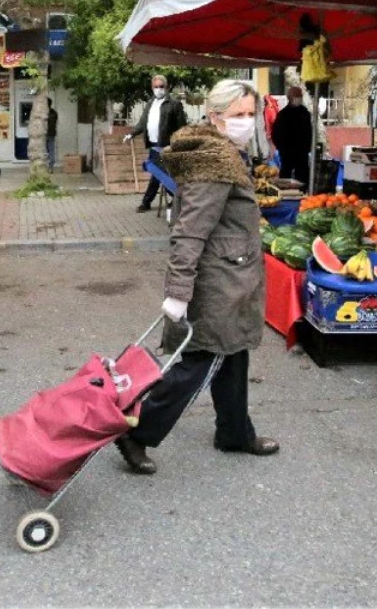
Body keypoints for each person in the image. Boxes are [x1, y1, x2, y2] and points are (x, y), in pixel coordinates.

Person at [114, 79, 278, 476]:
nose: (246, 121)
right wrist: (178, 292)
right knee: (199, 361)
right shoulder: (215, 162)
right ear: (215, 116)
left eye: (250, 113)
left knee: (234, 353)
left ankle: (235, 432)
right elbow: (190, 231)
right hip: (218, 280)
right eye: (237, 114)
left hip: (231, 274)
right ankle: (136, 432)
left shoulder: (222, 152)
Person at [124, 74, 188, 212]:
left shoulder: (174, 104)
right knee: (158, 174)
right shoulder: (150, 103)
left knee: (160, 174)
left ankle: (148, 202)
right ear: (152, 88)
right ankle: (176, 199)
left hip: (168, 147)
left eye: (161, 86)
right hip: (154, 146)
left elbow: (182, 127)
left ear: (167, 87)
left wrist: (179, 145)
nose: (159, 89)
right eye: (156, 87)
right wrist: (131, 134)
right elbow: (143, 122)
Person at [271, 85, 312, 185]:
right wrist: (281, 147)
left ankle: (304, 193)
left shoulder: (305, 113)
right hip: (287, 152)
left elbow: (309, 132)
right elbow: (275, 133)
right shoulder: (283, 114)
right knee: (285, 176)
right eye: (296, 96)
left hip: (302, 152)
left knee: (303, 176)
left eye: (300, 95)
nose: (299, 98)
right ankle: (284, 195)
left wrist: (307, 147)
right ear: (290, 97)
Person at [46, 98, 59, 172]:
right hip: (52, 133)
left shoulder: (43, 113)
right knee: (51, 150)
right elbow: (55, 122)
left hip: (44, 134)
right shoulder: (54, 112)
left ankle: (43, 166)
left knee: (43, 150)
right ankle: (51, 167)